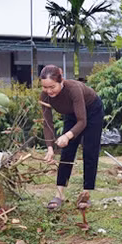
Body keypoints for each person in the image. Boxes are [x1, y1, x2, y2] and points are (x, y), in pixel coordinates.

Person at [40, 65, 105, 210]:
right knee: (67, 151)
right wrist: (50, 148)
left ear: (61, 81)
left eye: (52, 86)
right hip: (71, 114)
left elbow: (82, 121)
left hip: (92, 111)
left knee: (89, 150)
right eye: (45, 87)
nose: (49, 91)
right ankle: (59, 194)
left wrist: (68, 135)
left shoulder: (73, 89)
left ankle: (86, 193)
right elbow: (47, 123)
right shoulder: (44, 96)